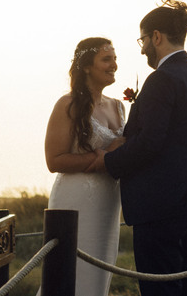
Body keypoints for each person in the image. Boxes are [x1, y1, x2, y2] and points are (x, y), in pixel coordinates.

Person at [93, 0, 187, 296]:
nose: (142, 49)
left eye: (143, 40)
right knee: (183, 287)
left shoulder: (162, 78)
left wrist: (107, 161)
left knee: (160, 290)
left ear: (157, 37)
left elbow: (150, 142)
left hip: (159, 206)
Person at [44, 37, 126, 296]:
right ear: (87, 66)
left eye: (115, 59)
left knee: (98, 278)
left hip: (109, 203)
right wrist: (103, 157)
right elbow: (54, 160)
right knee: (69, 277)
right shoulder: (67, 104)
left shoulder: (118, 106)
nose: (114, 65)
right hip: (76, 201)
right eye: (106, 59)